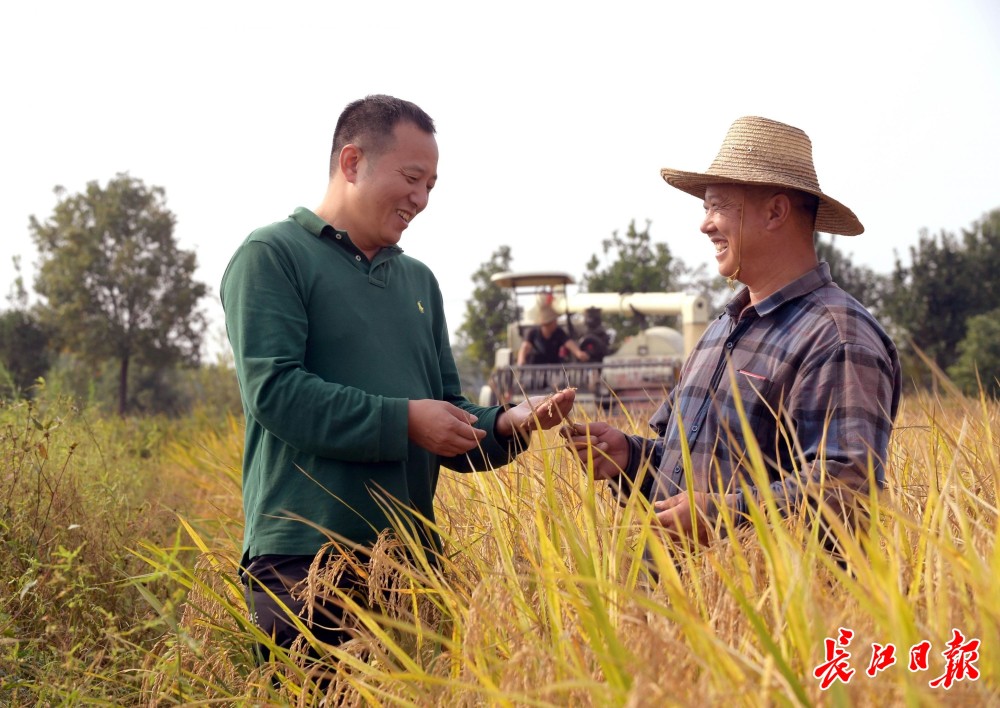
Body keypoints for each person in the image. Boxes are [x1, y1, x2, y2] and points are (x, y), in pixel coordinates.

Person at [220, 94, 575, 659]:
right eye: (412, 178)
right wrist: (405, 420)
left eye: (432, 185)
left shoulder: (419, 282)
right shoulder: (273, 256)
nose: (422, 199)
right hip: (304, 561)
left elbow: (446, 413)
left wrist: (508, 424)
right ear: (352, 162)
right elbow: (277, 393)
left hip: (409, 562)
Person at [561, 116, 902, 550]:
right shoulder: (721, 330)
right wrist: (628, 457)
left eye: (717, 206)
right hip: (684, 608)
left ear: (776, 211)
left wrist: (727, 513)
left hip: (779, 613)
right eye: (705, 208)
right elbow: (682, 467)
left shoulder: (837, 338)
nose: (705, 225)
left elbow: (848, 487)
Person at [516, 303, 590, 365]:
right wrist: (521, 361)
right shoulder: (533, 333)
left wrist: (578, 353)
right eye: (554, 321)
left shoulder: (558, 332)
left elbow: (569, 343)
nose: (556, 322)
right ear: (547, 324)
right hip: (536, 370)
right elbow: (525, 347)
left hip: (553, 369)